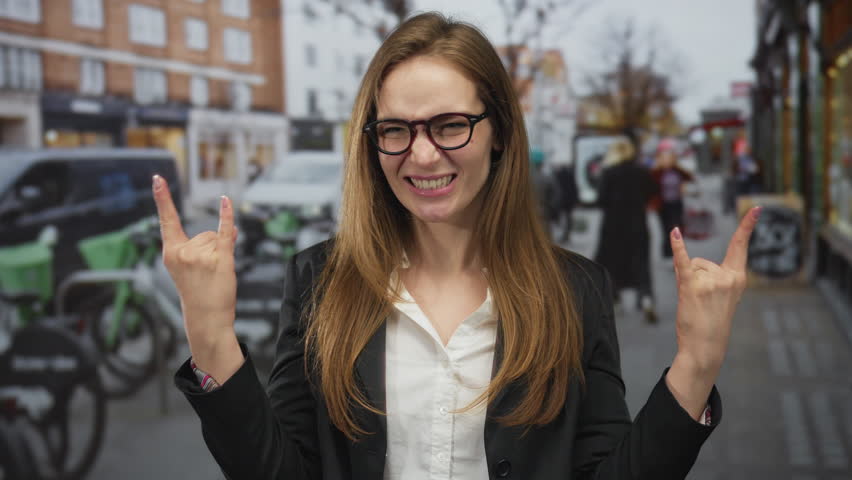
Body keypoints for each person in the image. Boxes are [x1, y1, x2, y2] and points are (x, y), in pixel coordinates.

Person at [153, 12, 760, 480]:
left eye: (449, 126)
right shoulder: (319, 282)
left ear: (498, 134)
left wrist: (695, 367)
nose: (421, 154)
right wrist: (211, 339)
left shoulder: (574, 291)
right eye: (395, 130)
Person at [593, 137, 658, 323]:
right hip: (637, 225)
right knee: (641, 263)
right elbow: (652, 192)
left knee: (611, 264)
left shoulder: (608, 173)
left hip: (613, 228)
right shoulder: (641, 172)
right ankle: (646, 299)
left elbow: (601, 200)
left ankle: (615, 300)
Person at [650, 140, 695, 260]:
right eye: (664, 158)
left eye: (669, 158)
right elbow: (649, 189)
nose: (667, 161)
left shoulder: (677, 171)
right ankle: (667, 254)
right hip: (663, 205)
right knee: (666, 229)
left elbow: (691, 178)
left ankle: (677, 253)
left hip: (676, 203)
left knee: (677, 228)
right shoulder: (656, 173)